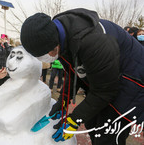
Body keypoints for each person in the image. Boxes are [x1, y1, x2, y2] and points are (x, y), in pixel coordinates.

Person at [20, 8, 144, 145]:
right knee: (92, 123)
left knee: (106, 134)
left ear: (53, 45)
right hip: (102, 80)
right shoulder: (61, 40)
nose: (45, 58)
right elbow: (74, 73)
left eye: (44, 54)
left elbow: (105, 91)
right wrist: (62, 103)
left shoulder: (93, 42)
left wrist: (75, 119)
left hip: (129, 82)